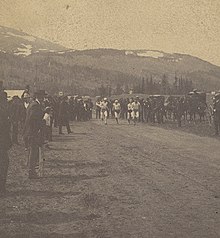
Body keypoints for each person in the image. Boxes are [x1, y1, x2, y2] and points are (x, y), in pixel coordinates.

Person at [23, 90, 46, 179]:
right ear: (38, 96)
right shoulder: (35, 106)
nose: (43, 98)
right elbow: (33, 120)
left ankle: (31, 171)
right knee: (33, 152)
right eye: (41, 96)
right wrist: (43, 121)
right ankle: (31, 172)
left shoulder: (34, 105)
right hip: (32, 132)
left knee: (33, 152)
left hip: (32, 132)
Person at [0, 89, 12, 195]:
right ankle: (1, 188)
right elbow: (4, 128)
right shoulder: (2, 111)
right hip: (1, 143)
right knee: (4, 163)